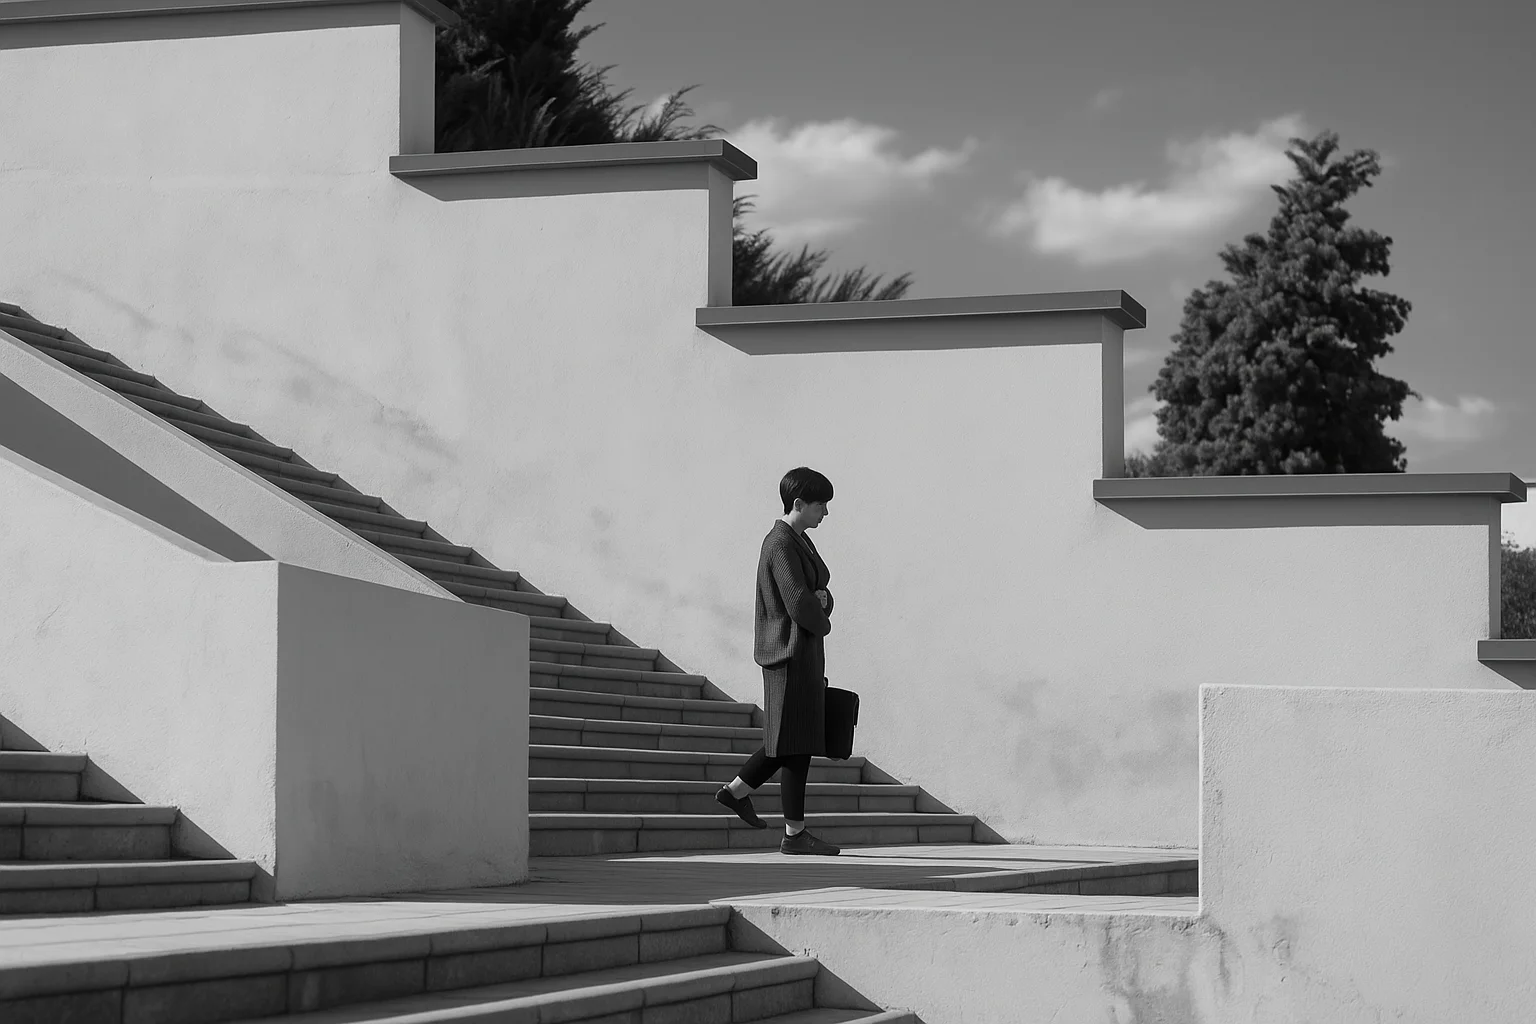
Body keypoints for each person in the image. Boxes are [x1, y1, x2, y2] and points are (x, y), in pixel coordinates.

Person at [716, 467, 840, 856]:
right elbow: (801, 600)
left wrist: (822, 603)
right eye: (821, 505)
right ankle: (793, 833)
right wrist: (821, 613)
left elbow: (821, 592)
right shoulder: (780, 543)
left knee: (790, 741)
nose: (825, 513)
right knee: (793, 741)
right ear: (798, 503)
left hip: (801, 651)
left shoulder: (799, 541)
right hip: (788, 653)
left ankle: (737, 793)